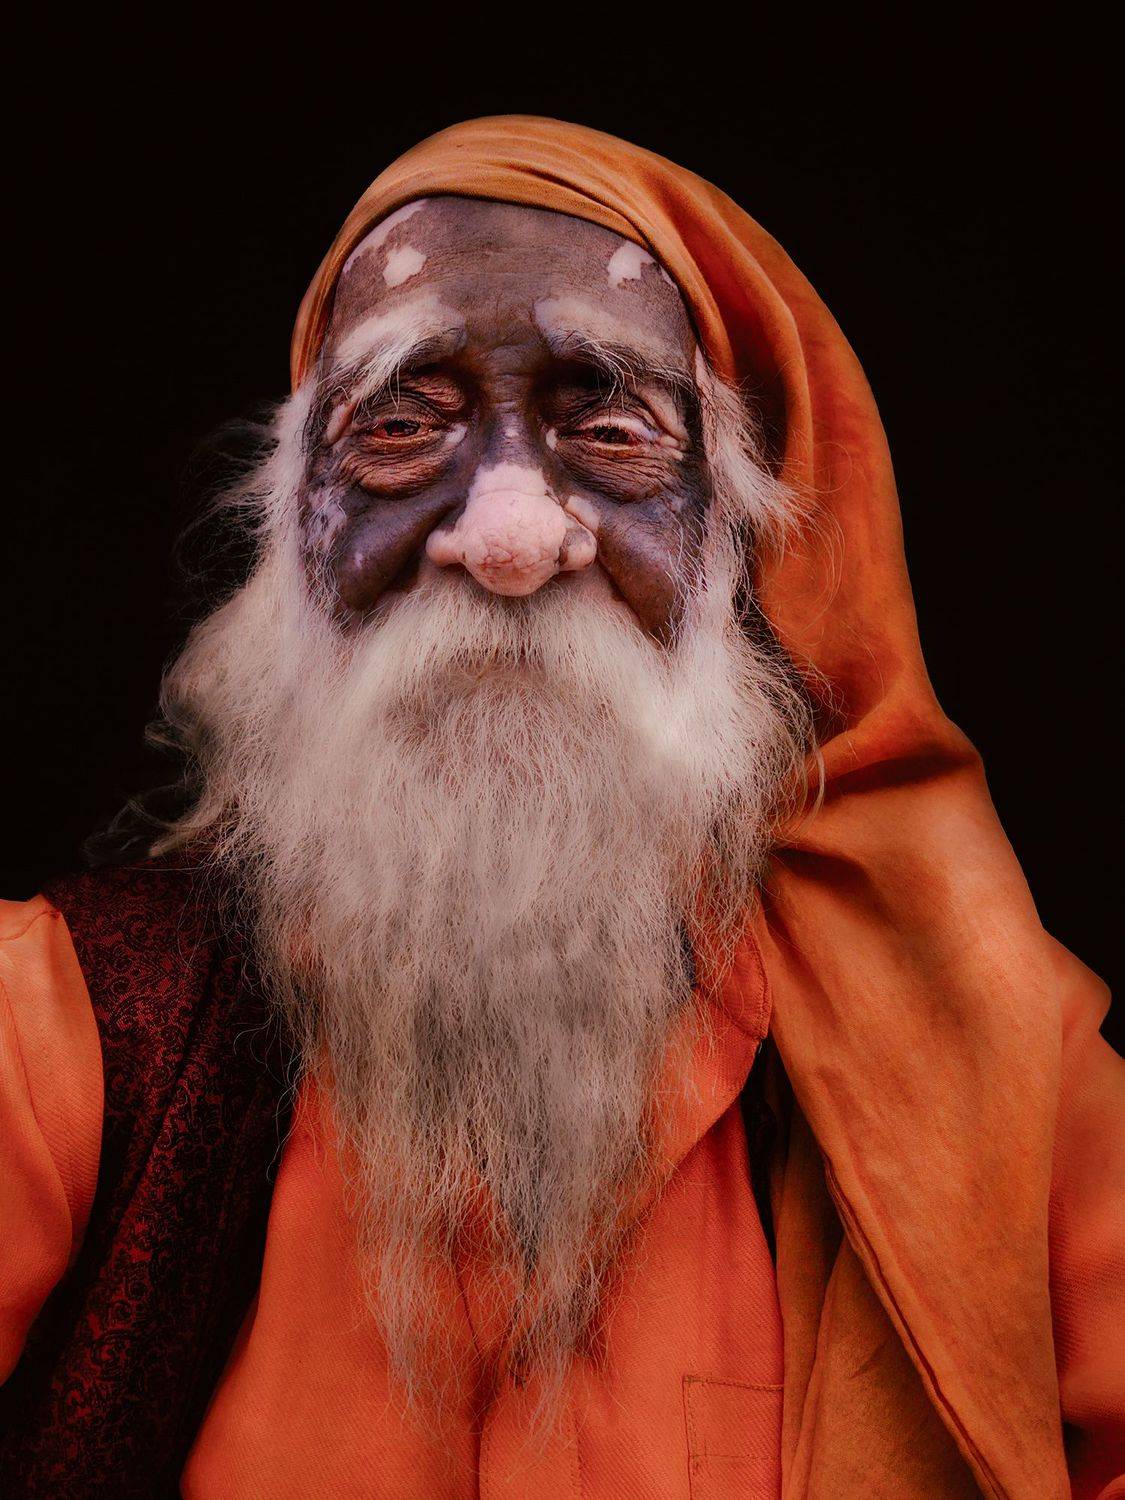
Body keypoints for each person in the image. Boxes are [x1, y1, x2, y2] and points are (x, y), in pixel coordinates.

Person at [1, 116, 1121, 1499]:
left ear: (743, 542)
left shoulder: (1006, 1064)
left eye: (612, 427)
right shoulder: (58, 1035)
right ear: (290, 535)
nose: (514, 538)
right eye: (401, 426)